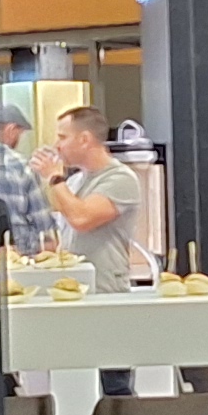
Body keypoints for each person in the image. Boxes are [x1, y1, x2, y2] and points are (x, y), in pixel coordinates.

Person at [42, 108, 151, 287]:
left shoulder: (121, 178)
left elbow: (81, 219)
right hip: (73, 287)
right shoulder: (74, 181)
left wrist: (55, 178)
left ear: (84, 139)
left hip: (104, 289)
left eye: (63, 138)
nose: (57, 146)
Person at [0, 100, 56, 257]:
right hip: (18, 259)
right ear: (11, 129)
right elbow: (46, 232)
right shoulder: (20, 166)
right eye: (20, 134)